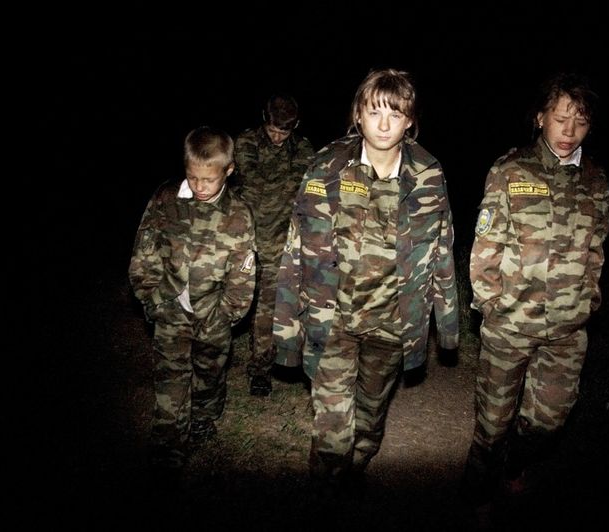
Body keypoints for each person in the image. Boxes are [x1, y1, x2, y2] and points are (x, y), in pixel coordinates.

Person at [273, 68, 459, 492]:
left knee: (369, 423)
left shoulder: (429, 174)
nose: (384, 124)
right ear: (357, 114)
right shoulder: (326, 166)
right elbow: (295, 249)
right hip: (331, 319)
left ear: (410, 120)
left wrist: (447, 328)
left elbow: (442, 250)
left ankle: (354, 464)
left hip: (391, 324)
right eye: (374, 112)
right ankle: (326, 492)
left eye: (395, 114)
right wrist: (285, 330)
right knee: (333, 435)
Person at [463, 72, 609, 509]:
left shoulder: (597, 180)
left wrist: (589, 301)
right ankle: (477, 488)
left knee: (548, 421)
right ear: (540, 117)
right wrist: (492, 307)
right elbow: (485, 247)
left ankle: (514, 462)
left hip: (568, 330)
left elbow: (598, 248)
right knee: (492, 424)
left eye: (580, 122)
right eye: (560, 118)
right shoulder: (511, 171)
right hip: (510, 325)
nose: (569, 132)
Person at [128, 126, 257, 469]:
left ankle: (204, 414)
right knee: (170, 377)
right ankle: (167, 446)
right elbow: (145, 250)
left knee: (209, 371)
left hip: (213, 313)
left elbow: (243, 275)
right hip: (170, 308)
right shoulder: (166, 199)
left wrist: (226, 315)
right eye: (193, 177)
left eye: (209, 179)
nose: (200, 186)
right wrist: (151, 297)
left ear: (228, 171)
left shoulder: (238, 215)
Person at [232, 94, 315, 397]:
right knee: (227, 306)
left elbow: (307, 197)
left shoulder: (304, 151)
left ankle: (260, 371)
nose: (278, 136)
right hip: (241, 242)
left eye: (285, 131)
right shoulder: (244, 144)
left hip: (278, 244)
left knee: (267, 310)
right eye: (273, 129)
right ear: (263, 120)